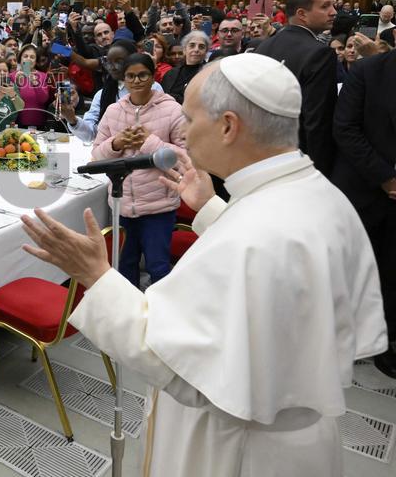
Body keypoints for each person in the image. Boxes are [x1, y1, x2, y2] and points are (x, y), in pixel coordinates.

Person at [21, 53, 386, 477]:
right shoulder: (314, 192)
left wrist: (96, 277)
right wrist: (211, 208)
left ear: (229, 126)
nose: (185, 135)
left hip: (236, 448)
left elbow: (172, 357)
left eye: (191, 121)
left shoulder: (258, 233)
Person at [91, 54, 186, 286]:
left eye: (142, 74)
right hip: (122, 205)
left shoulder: (173, 110)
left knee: (158, 266)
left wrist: (149, 141)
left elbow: (185, 159)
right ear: (123, 80)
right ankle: (130, 316)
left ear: (153, 76)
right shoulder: (114, 111)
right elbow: (95, 156)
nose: (137, 81)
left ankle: (160, 317)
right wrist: (117, 143)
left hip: (158, 206)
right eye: (130, 76)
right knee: (125, 266)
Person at [331, 49, 396, 377]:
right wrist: (386, 178)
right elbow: (345, 128)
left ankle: (387, 339)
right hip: (365, 190)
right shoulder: (368, 71)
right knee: (355, 269)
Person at [256, 0, 337, 175]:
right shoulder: (320, 54)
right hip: (297, 159)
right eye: (325, 7)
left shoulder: (264, 47)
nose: (333, 12)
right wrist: (320, 172)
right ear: (302, 14)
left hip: (260, 154)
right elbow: (318, 120)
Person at [161, 31, 210, 104]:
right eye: (192, 45)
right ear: (184, 50)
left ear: (206, 52)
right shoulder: (170, 74)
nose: (196, 49)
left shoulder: (210, 74)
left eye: (201, 47)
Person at [12, 44, 52, 129]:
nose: (28, 59)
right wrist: (16, 83)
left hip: (37, 122)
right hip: (16, 121)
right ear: (20, 59)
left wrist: (35, 83)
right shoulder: (12, 76)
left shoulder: (43, 76)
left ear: (36, 60)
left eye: (32, 57)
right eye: (25, 56)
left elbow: (43, 99)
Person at [0, 58, 24, 132]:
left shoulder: (13, 86)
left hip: (10, 130)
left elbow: (20, 108)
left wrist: (13, 95)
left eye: (5, 71)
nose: (2, 73)